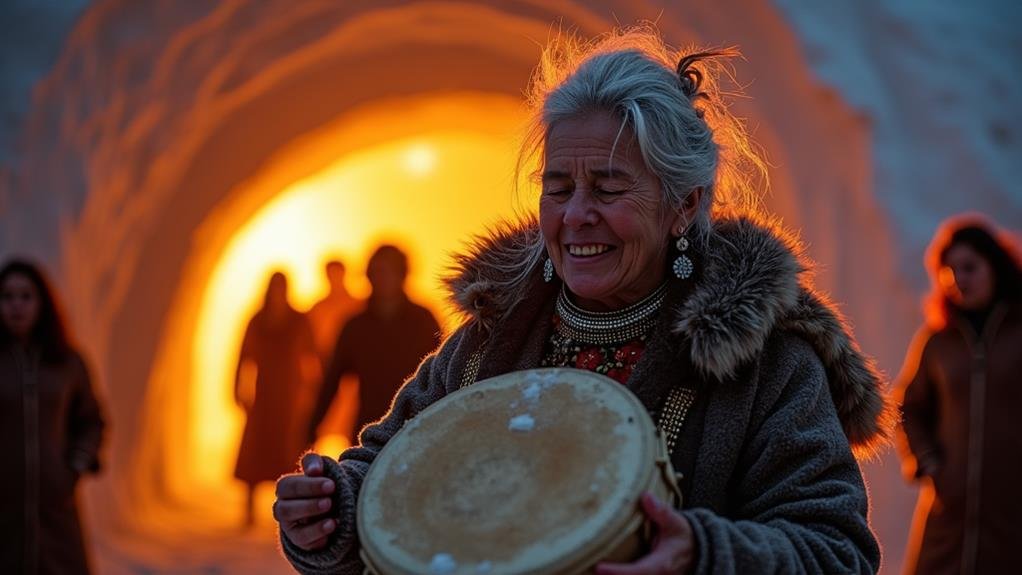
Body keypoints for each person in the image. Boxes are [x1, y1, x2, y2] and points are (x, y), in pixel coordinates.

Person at [275, 27, 893, 574]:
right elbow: (393, 467)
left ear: (683, 204)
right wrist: (337, 507)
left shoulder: (766, 363)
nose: (575, 216)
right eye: (559, 187)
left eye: (608, 187)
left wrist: (703, 554)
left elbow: (836, 551)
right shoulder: (494, 335)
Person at [896, 216, 1022, 575]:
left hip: (1012, 518)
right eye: (948, 270)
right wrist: (930, 464)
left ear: (995, 266)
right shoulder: (938, 342)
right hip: (948, 514)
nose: (958, 280)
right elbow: (909, 407)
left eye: (969, 267)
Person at [0, 258, 106, 574]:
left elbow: (91, 420)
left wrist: (74, 466)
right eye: (7, 297)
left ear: (42, 303)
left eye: (26, 296)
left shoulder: (66, 364)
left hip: (55, 511)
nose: (16, 306)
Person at [305, 245, 441, 445]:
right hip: (369, 432)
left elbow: (443, 371)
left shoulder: (423, 321)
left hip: (417, 427)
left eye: (388, 271)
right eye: (377, 272)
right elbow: (332, 381)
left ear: (402, 274)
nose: (381, 278)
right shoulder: (355, 327)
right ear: (368, 275)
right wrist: (312, 427)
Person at [234, 271, 319, 527]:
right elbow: (243, 356)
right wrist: (237, 388)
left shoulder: (299, 320)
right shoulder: (258, 320)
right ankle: (248, 510)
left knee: (288, 451)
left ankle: (294, 511)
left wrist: (314, 393)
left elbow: (314, 356)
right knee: (256, 452)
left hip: (289, 396)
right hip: (264, 394)